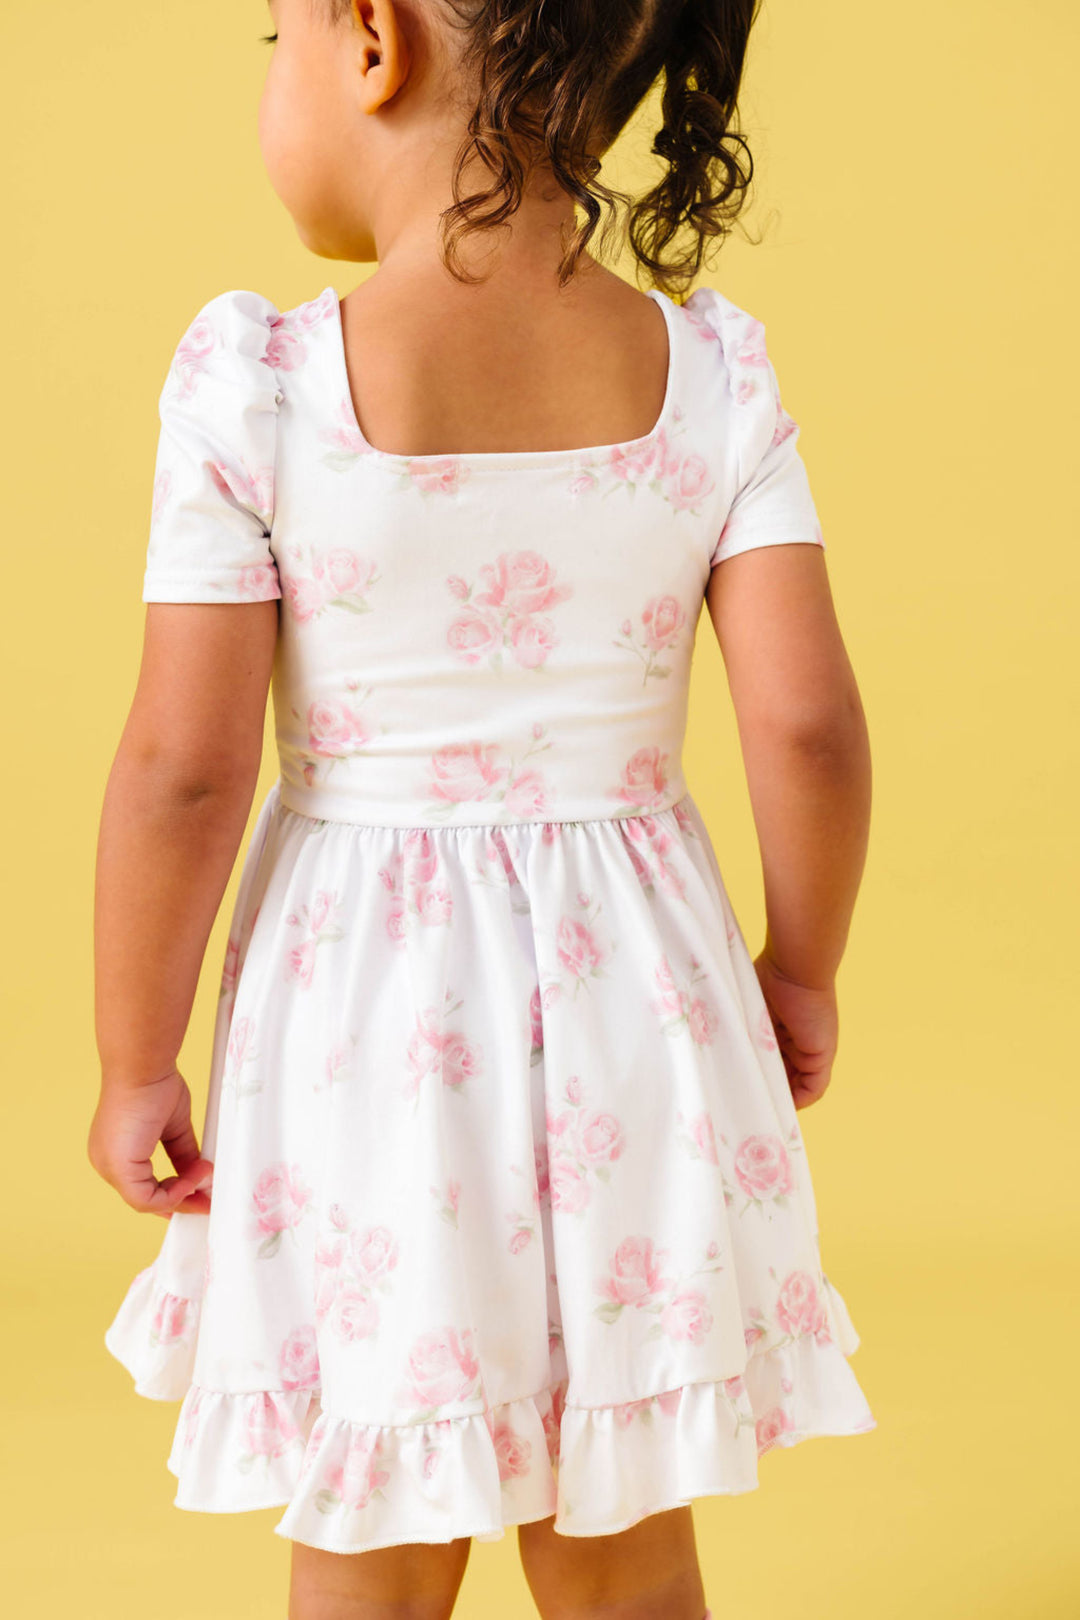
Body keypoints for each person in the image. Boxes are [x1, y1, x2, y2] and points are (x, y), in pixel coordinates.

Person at [87, 1, 877, 1616]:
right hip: (638, 1011)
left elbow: (185, 766)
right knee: (624, 1518)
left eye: (273, 34)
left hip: (362, 1024)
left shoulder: (260, 384)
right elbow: (806, 725)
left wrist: (132, 1058)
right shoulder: (708, 368)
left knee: (375, 1511)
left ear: (371, 40)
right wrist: (799, 966)